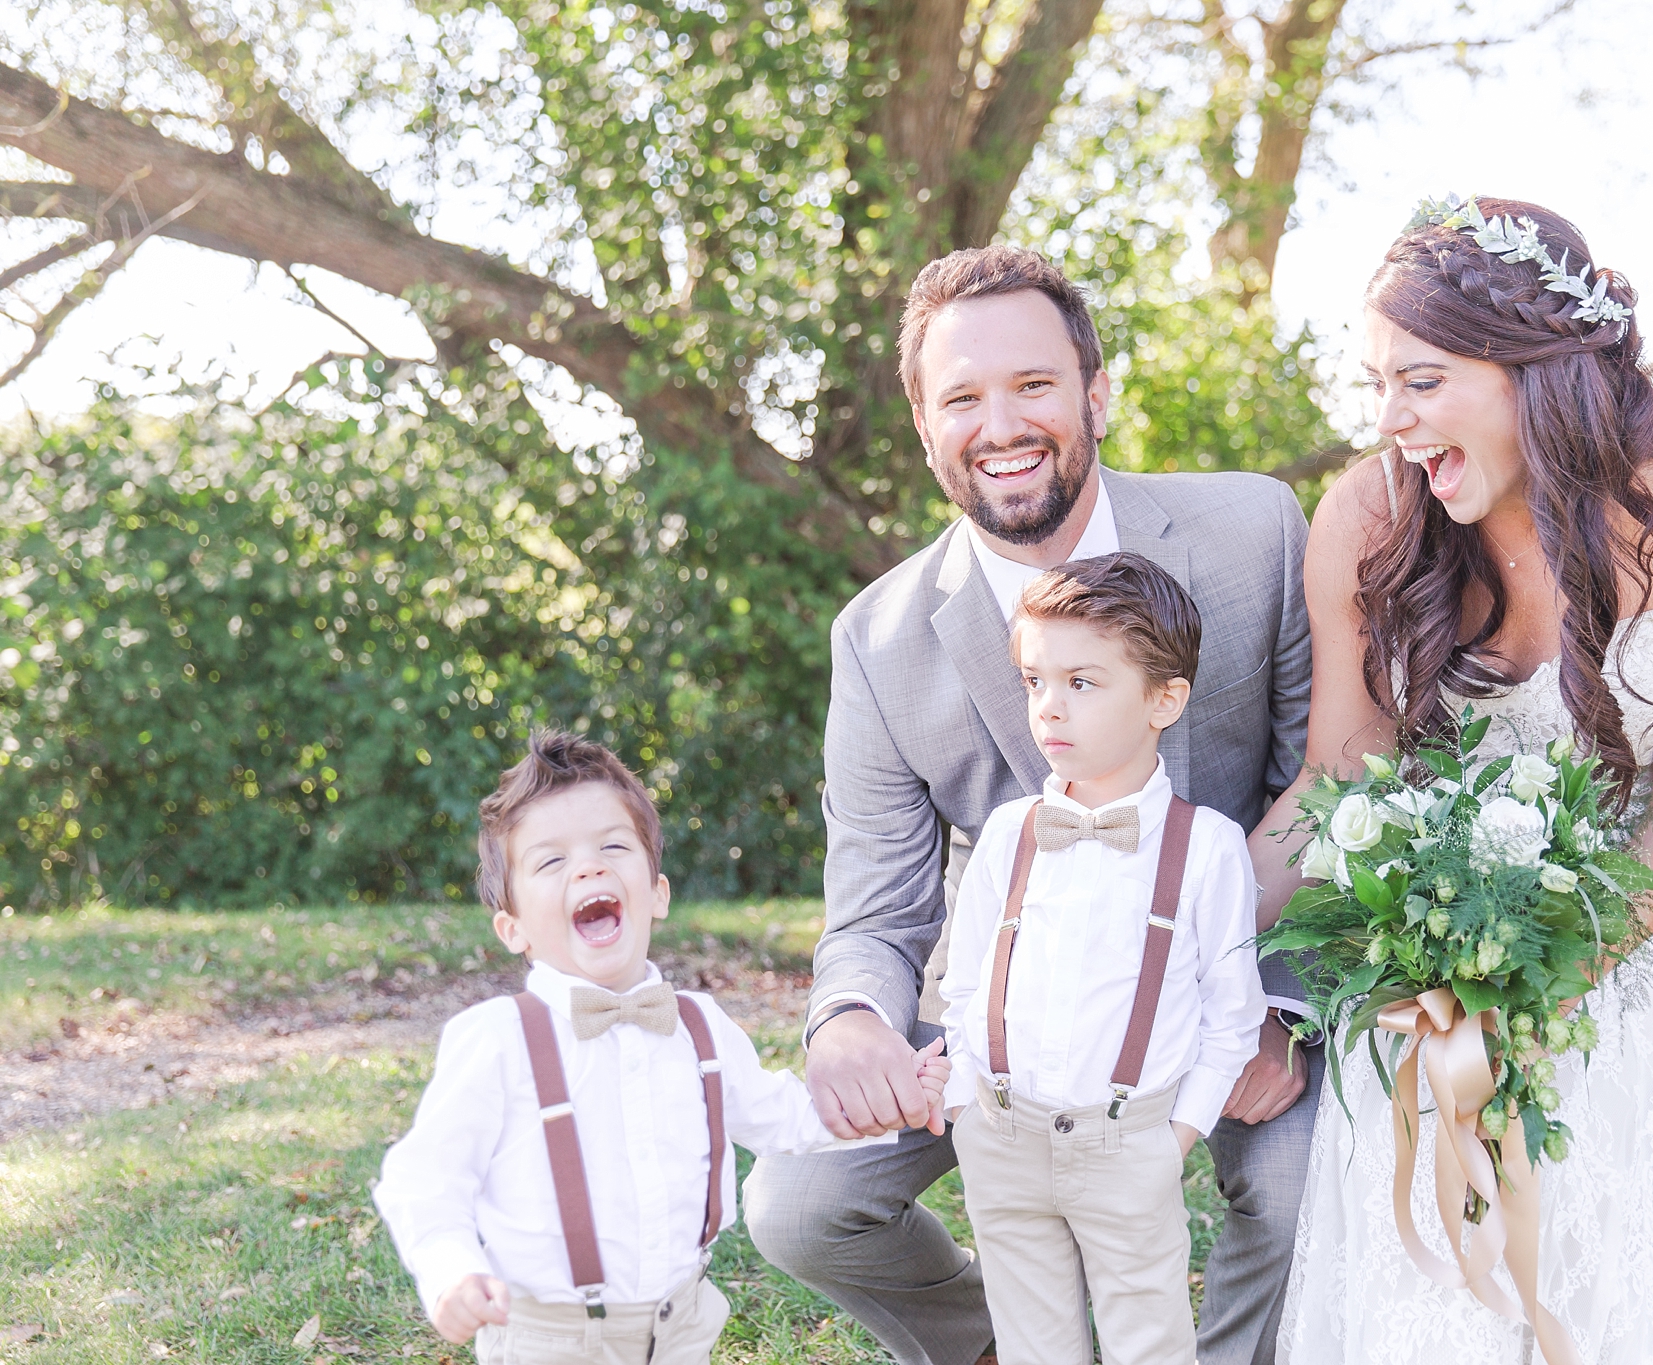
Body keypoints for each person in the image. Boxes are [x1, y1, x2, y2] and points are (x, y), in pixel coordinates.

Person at [741, 244, 1321, 1365]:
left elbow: (1325, 790)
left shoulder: (1254, 535)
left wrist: (1280, 1012)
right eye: (961, 397)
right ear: (922, 424)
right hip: (1004, 1020)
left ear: (1094, 392)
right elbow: (874, 901)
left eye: (1033, 386)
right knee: (797, 1206)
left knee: (1299, 1190)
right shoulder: (876, 640)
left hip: (1231, 978)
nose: (999, 423)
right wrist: (851, 1017)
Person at [1257, 198, 1653, 1363]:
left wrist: (1519, 989)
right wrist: (1185, 959)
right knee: (1401, 1050)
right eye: (1376, 385)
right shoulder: (1371, 512)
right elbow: (1335, 778)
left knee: (1566, 1091)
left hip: (1640, 890)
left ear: (1527, 371)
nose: (1390, 422)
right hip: (1431, 899)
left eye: (1421, 381)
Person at [374, 730, 949, 1365]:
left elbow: (781, 1115)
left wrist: (886, 1101)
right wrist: (449, 1270)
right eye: (550, 861)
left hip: (681, 1324)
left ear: (657, 893)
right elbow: (424, 1176)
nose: (589, 867)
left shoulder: (699, 1027)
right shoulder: (497, 1040)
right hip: (549, 1337)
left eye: (612, 847)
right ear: (513, 929)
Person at [938, 553, 1267, 1365]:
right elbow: (967, 981)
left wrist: (1176, 1139)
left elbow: (1233, 1017)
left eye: (1083, 682)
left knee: (1148, 1339)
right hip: (1000, 1135)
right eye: (1035, 680)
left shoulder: (1208, 849)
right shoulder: (1009, 835)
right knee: (1031, 1344)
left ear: (1165, 697)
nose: (1050, 707)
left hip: (1129, 1146)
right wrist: (961, 1106)